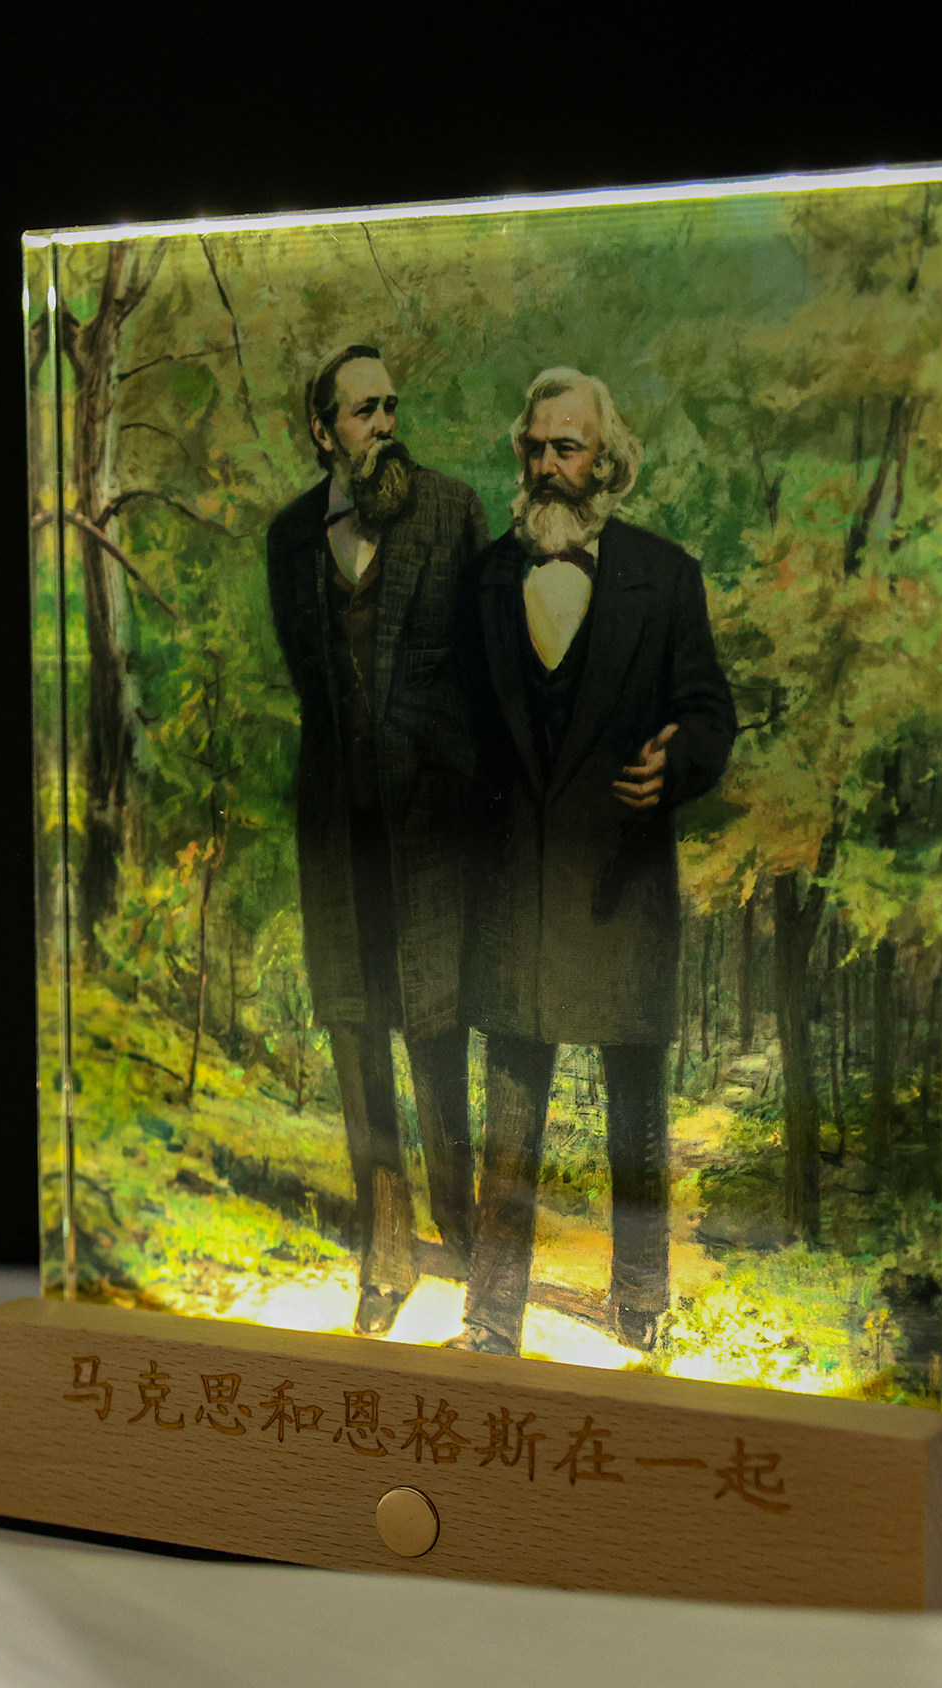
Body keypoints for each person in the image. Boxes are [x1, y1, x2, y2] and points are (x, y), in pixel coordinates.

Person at [451, 367, 737, 1356]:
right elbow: (455, 727)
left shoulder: (667, 574)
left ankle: (642, 1300)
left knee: (637, 1114)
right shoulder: (485, 580)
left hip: (622, 886)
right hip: (517, 893)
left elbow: (708, 711)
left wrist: (677, 762)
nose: (545, 465)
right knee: (510, 1116)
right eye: (533, 447)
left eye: (564, 447)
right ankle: (492, 1316)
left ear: (603, 459)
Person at [266, 344, 491, 1335]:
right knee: (356, 1029)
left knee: (436, 1022)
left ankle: (461, 1219)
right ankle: (386, 1247)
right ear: (324, 431)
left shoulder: (452, 513)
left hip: (434, 825)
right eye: (364, 411)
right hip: (338, 829)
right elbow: (310, 681)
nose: (385, 424)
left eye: (391, 405)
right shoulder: (289, 538)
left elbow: (481, 674)